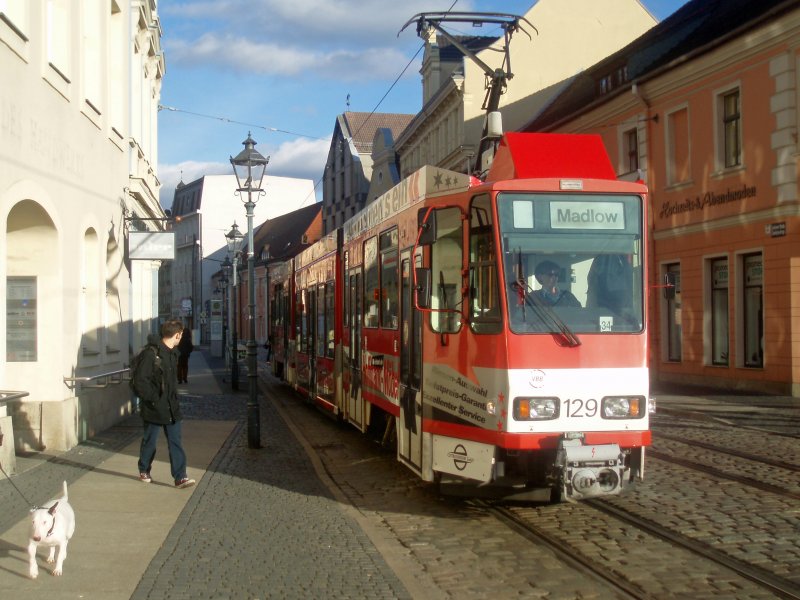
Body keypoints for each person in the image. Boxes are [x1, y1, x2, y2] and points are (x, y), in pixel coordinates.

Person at [134, 319, 195, 488]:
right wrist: (154, 399)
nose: (181, 337)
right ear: (177, 334)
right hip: (154, 407)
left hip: (172, 406)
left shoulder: (173, 352)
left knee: (175, 442)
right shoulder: (150, 353)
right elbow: (140, 381)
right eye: (181, 334)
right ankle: (144, 469)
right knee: (150, 441)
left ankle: (180, 477)